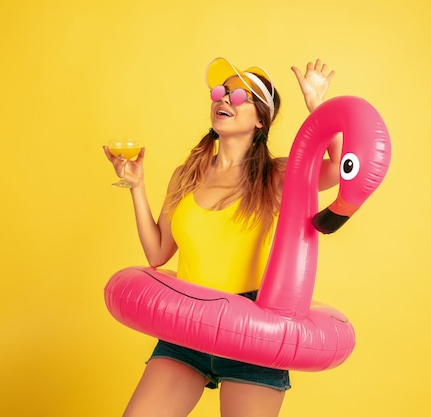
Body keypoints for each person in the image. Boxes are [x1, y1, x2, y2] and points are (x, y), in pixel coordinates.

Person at [103, 57, 342, 417]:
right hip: (185, 325)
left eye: (238, 96)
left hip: (253, 330)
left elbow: (341, 169)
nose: (223, 99)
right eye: (220, 92)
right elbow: (157, 253)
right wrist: (136, 187)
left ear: (261, 118)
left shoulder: (277, 176)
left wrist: (317, 107)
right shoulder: (187, 174)